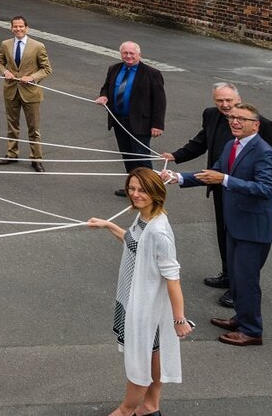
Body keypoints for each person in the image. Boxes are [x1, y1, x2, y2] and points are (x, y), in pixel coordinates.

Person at [163, 103, 272, 347]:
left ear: (255, 125)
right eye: (232, 118)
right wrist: (179, 177)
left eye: (241, 119)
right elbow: (213, 172)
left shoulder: (265, 152)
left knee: (247, 280)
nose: (234, 122)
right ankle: (241, 317)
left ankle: (252, 331)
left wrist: (226, 179)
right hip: (235, 223)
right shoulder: (231, 145)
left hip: (253, 228)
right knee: (236, 277)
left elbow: (266, 189)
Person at [87, 168, 192, 416]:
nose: (135, 194)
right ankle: (151, 407)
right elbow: (134, 243)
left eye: (142, 190)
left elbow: (173, 278)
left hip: (145, 308)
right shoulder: (144, 217)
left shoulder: (158, 231)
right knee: (152, 355)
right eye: (132, 188)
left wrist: (179, 319)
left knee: (138, 362)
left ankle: (126, 410)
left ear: (156, 192)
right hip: (133, 300)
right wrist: (108, 225)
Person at [94, 41, 166, 197]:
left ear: (139, 54)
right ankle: (133, 188)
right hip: (119, 120)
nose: (128, 56)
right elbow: (106, 87)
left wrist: (157, 125)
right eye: (125, 53)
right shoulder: (114, 68)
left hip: (141, 122)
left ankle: (150, 189)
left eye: (132, 53)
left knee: (141, 156)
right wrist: (104, 96)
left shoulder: (152, 73)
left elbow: (160, 101)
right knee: (127, 155)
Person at [0, 16, 52, 172]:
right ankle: (12, 153)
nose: (18, 29)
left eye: (21, 26)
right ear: (11, 28)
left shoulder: (38, 46)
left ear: (26, 28)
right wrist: (5, 72)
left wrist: (32, 77)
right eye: (15, 26)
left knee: (34, 128)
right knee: (12, 126)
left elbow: (46, 69)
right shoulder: (6, 44)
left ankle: (36, 158)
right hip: (11, 91)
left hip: (31, 93)